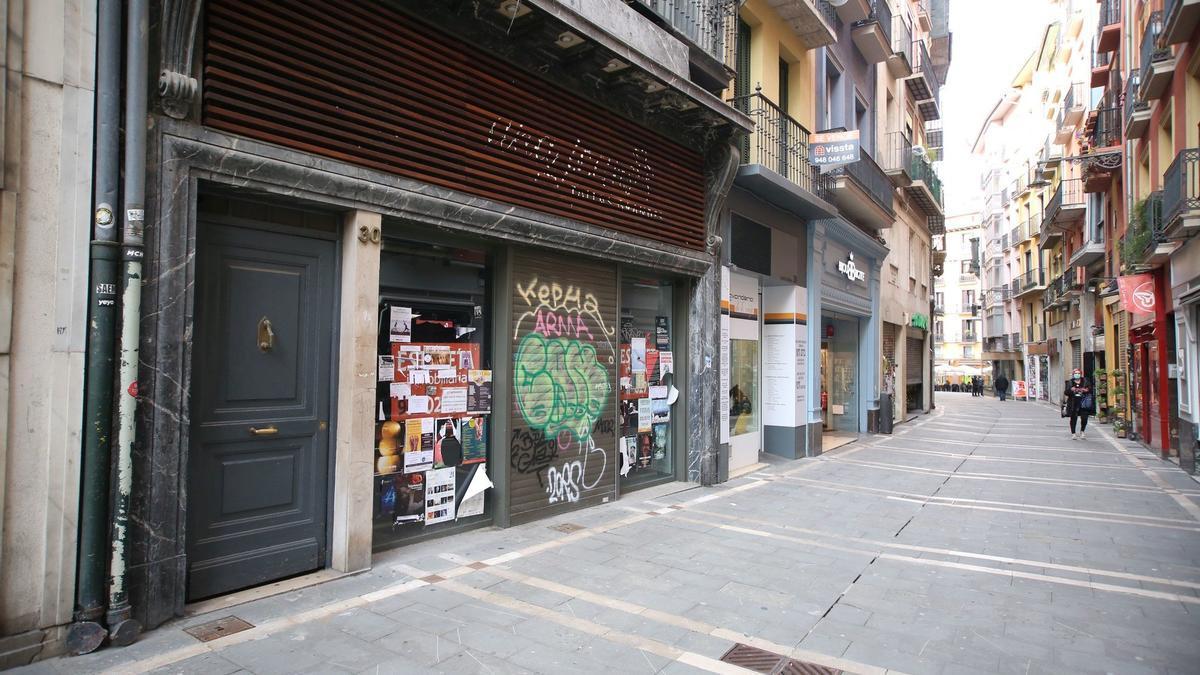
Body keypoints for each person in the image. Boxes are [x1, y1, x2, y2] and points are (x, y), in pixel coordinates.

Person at [1064, 368, 1094, 439]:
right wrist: (1071, 390)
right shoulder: (1070, 382)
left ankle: (1082, 431)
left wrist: (1085, 390)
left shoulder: (1085, 381)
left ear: (1080, 374)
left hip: (1083, 402)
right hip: (1073, 402)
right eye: (1075, 373)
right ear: (1073, 374)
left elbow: (1090, 389)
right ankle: (1073, 433)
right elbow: (1066, 392)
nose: (1077, 374)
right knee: (1073, 418)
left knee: (1084, 418)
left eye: (1078, 373)